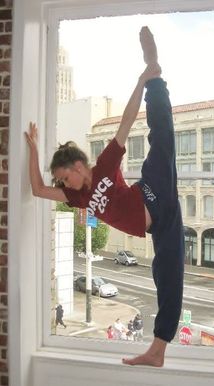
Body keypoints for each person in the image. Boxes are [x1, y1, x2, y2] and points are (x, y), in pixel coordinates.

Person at [25, 26, 184, 367]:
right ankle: (158, 350)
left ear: (78, 165)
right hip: (161, 224)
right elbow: (38, 190)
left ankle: (154, 70)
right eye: (60, 180)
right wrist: (33, 148)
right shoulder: (76, 197)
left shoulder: (103, 166)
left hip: (152, 195)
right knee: (168, 277)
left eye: (63, 175)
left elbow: (126, 122)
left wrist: (142, 80)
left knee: (163, 140)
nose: (62, 183)